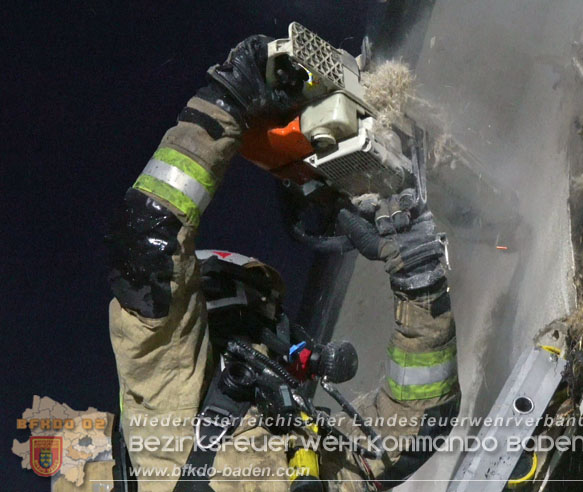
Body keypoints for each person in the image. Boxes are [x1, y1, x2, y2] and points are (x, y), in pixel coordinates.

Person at [101, 35, 460, 492]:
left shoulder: (293, 445)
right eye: (265, 325)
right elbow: (147, 248)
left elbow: (413, 427)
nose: (284, 345)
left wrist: (420, 281)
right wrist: (227, 98)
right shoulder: (164, 421)